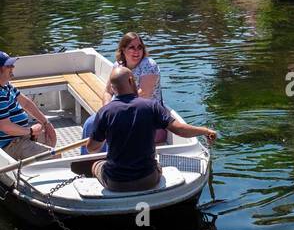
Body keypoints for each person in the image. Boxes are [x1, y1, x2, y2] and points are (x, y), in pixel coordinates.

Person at [86, 66, 217, 192]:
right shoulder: (151, 106)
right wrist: (205, 131)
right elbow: (180, 130)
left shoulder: (105, 112)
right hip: (148, 179)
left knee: (95, 165)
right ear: (131, 81)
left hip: (116, 183)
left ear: (113, 88)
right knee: (156, 164)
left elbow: (92, 148)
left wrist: (104, 136)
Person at [84, 33, 166, 149]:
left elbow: (143, 95)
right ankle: (88, 162)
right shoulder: (118, 66)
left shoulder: (149, 65)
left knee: (117, 130)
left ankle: (111, 161)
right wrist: (106, 112)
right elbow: (108, 91)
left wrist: (117, 112)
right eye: (132, 47)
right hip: (120, 110)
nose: (136, 51)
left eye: (139, 47)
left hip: (144, 113)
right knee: (90, 124)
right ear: (123, 49)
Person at [0, 52, 58, 162]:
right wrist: (31, 131)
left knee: (48, 138)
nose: (13, 67)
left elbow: (26, 103)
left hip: (19, 138)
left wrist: (46, 123)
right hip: (9, 145)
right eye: (8, 66)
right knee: (55, 156)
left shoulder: (6, 86)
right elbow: (5, 127)